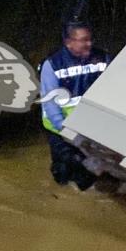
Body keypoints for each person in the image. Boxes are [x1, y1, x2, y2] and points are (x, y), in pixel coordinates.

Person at [40, 20, 111, 190]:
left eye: (90, 39)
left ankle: (86, 192)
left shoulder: (103, 58)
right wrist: (65, 129)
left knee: (89, 172)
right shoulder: (53, 64)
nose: (89, 44)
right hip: (60, 128)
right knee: (64, 168)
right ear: (69, 42)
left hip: (90, 126)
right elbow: (50, 103)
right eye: (84, 40)